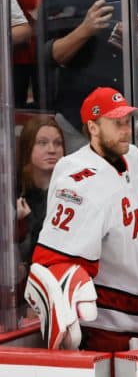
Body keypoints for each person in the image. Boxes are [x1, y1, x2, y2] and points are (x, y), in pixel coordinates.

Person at [27, 87, 138, 351]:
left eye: (126, 121)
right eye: (115, 123)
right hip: (104, 325)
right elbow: (52, 260)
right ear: (93, 127)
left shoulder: (136, 159)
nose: (125, 129)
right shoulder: (78, 178)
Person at [39, 0, 138, 150]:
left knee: (135, 175)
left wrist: (137, 40)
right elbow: (47, 55)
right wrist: (85, 29)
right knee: (83, 175)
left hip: (134, 118)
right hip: (78, 121)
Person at [16, 117, 66, 276]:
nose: (52, 150)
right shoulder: (14, 191)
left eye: (58, 143)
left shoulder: (72, 191)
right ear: (27, 147)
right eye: (42, 143)